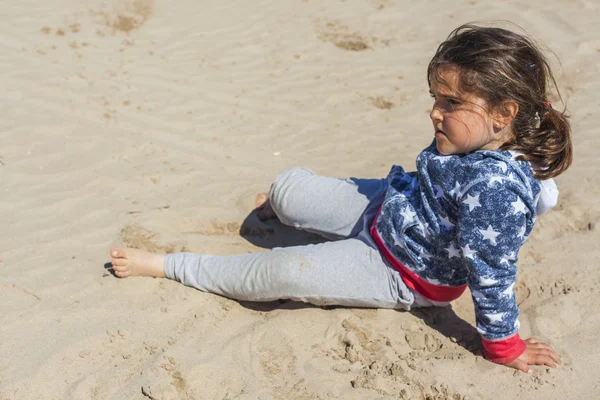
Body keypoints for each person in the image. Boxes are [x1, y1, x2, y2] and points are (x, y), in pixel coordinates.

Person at [110, 24, 571, 373]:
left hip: (403, 271)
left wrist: (504, 346)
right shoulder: (478, 139)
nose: (435, 111)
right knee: (288, 190)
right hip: (390, 204)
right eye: (435, 97)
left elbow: (493, 275)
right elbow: (527, 190)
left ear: (503, 114)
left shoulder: (497, 195)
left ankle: (171, 265)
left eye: (450, 103)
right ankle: (276, 204)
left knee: (281, 273)